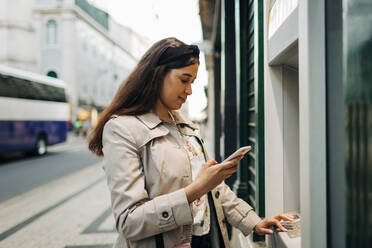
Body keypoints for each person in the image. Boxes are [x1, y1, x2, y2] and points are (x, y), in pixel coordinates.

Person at [88, 37, 293, 248]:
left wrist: (255, 222)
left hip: (207, 240)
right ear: (157, 75)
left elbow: (215, 191)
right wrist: (197, 188)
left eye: (192, 82)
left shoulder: (186, 126)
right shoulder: (122, 129)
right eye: (184, 80)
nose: (189, 90)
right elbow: (129, 221)